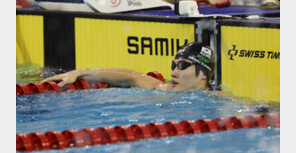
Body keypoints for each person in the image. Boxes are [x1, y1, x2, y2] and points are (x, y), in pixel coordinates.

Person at [42, 42, 218, 92]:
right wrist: (81, 72)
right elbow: (130, 76)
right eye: (174, 65)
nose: (173, 72)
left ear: (203, 73)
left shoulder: (219, 100)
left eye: (182, 66)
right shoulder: (164, 89)